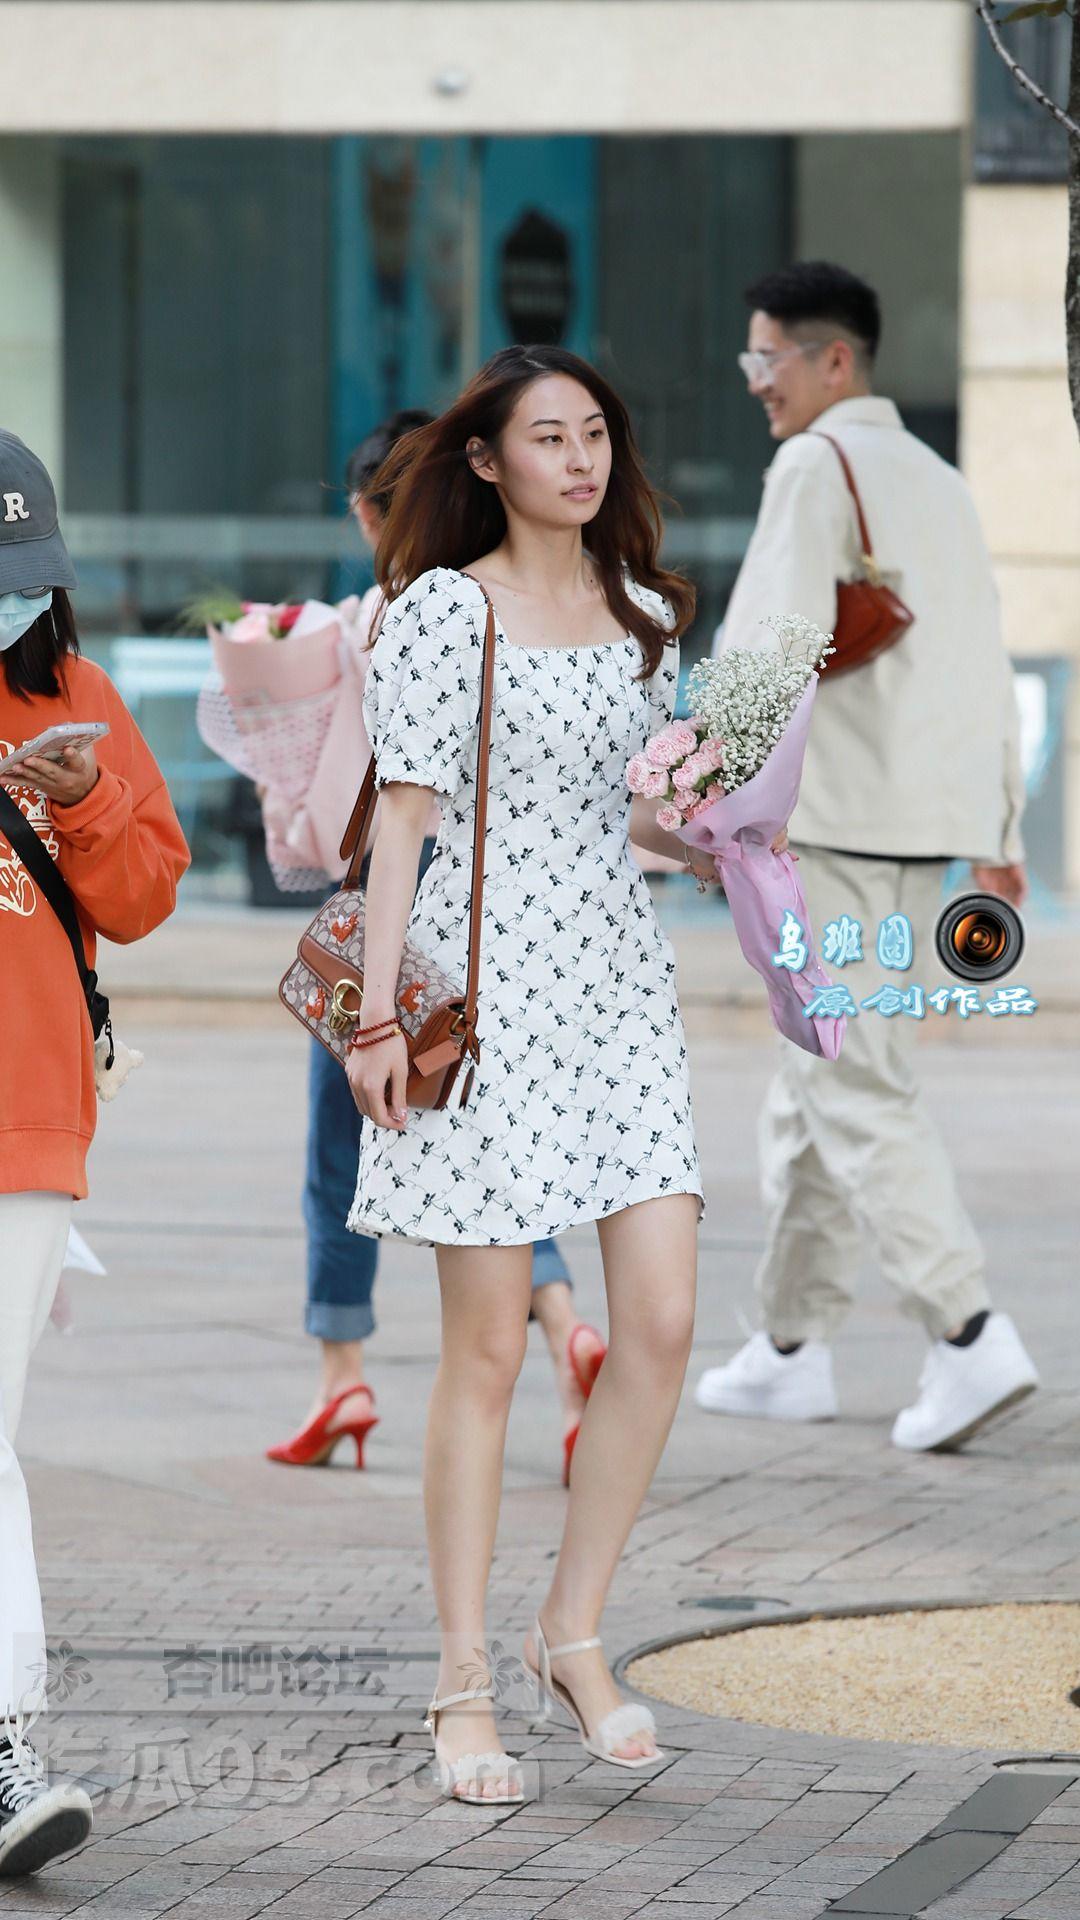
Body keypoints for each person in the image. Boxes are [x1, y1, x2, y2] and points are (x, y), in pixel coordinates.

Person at [343, 344, 725, 1806]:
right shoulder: (447, 610)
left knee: (664, 1320)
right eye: (549, 437)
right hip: (484, 989)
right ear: (487, 461)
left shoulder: (645, 616)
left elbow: (643, 818)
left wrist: (726, 830)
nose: (580, 459)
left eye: (596, 435)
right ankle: (462, 1679)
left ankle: (572, 1629)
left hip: (619, 991)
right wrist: (377, 1019)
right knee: (491, 1350)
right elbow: (403, 823)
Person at [694, 261, 1039, 1453]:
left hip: (833, 820)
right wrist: (999, 830)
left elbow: (770, 641)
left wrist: (715, 800)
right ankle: (790, 1348)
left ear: (831, 361)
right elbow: (987, 657)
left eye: (767, 359)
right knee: (822, 1073)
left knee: (849, 1081)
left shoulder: (814, 463)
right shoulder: (940, 479)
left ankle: (967, 1331)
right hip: (919, 827)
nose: (756, 382)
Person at [267, 411, 603, 1485]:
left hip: (394, 931)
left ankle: (342, 1376)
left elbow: (345, 807)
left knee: (341, 1148)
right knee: (495, 1148)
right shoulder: (516, 609)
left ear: (371, 514)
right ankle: (567, 1330)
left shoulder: (384, 619)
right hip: (500, 928)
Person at [0, 430, 190, 1874]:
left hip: (25, 1112)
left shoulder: (77, 697)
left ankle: (6, 1744)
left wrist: (83, 796)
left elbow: (139, 900)